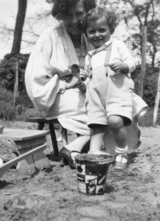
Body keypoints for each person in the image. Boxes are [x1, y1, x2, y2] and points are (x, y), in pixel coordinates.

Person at [25, 0, 96, 169]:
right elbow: (35, 79)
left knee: (124, 104)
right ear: (60, 14)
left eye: (79, 14)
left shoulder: (92, 35)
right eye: (68, 15)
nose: (73, 20)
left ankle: (74, 147)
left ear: (87, 12)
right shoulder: (50, 35)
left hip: (87, 92)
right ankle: (84, 149)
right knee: (101, 111)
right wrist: (66, 83)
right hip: (57, 96)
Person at [84, 7, 148, 170]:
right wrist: (83, 81)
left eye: (102, 30)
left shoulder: (117, 46)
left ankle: (121, 151)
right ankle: (94, 154)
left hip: (117, 93)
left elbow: (133, 63)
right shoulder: (89, 56)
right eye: (92, 31)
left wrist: (124, 66)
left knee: (115, 121)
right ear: (86, 33)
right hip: (96, 98)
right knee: (96, 127)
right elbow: (88, 77)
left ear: (110, 30)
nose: (97, 34)